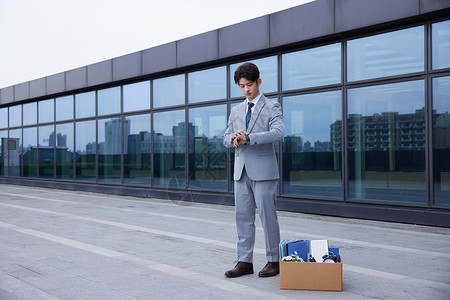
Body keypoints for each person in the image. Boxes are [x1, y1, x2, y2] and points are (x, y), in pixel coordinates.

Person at [223, 62, 284, 278]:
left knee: (267, 216)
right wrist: (233, 138)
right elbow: (225, 137)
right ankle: (244, 262)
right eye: (241, 86)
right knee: (242, 216)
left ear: (258, 82)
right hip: (241, 171)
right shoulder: (236, 110)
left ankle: (274, 260)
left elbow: (278, 132)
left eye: (249, 84)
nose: (246, 89)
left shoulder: (272, 106)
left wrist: (250, 138)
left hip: (264, 170)